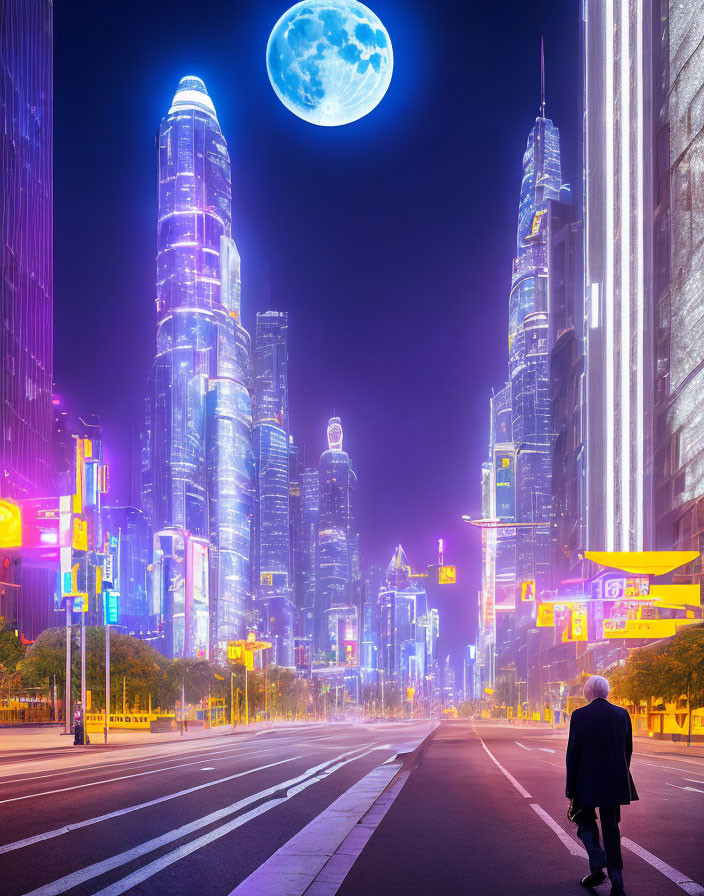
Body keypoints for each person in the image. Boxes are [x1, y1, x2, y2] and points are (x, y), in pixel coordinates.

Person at [566, 675, 638, 896]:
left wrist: (570, 787)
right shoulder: (622, 714)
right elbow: (628, 750)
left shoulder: (579, 715)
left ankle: (597, 864)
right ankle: (617, 879)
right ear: (606, 692)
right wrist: (620, 774)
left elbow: (573, 753)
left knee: (583, 819)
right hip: (615, 780)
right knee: (611, 828)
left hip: (587, 781)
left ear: (588, 693)